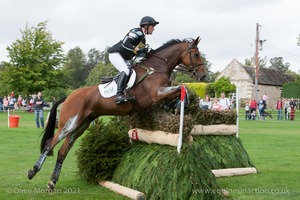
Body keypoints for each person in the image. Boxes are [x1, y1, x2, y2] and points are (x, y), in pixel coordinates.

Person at [108, 16, 159, 104]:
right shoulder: (136, 32)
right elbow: (126, 43)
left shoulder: (142, 37)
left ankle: (125, 91)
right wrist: (138, 50)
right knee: (125, 70)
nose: (153, 29)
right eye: (152, 26)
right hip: (116, 54)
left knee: (132, 72)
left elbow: (140, 53)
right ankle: (118, 95)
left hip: (124, 57)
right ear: (146, 26)